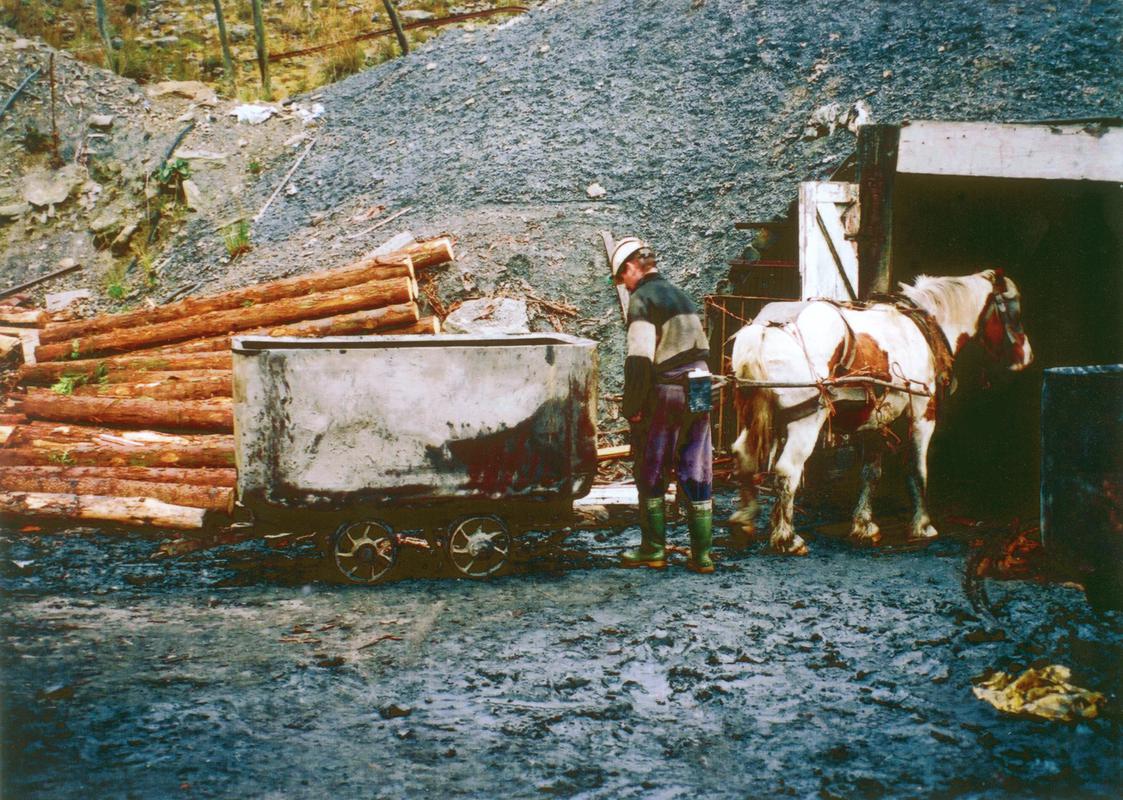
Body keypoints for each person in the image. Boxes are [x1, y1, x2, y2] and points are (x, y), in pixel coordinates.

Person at [611, 237, 714, 573]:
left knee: (652, 467)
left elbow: (639, 359)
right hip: (701, 384)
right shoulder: (680, 294)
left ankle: (653, 550)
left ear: (630, 268)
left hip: (668, 390)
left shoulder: (642, 298)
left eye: (620, 277)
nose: (622, 285)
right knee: (696, 464)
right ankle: (702, 556)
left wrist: (633, 406)